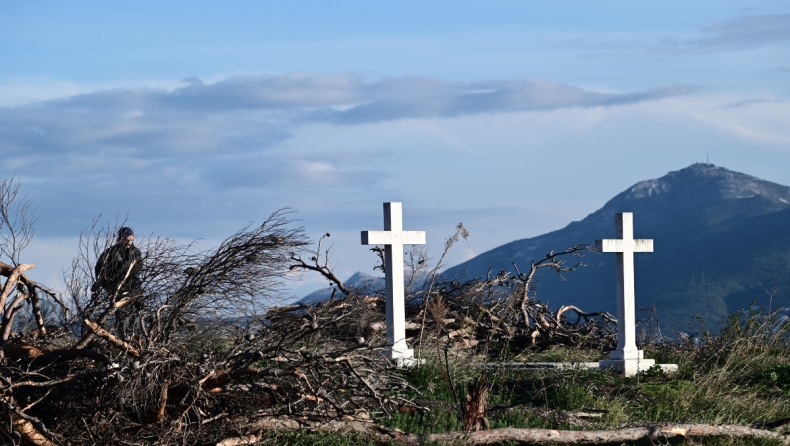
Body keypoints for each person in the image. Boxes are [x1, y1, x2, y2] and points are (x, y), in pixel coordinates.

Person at [93, 227, 143, 299]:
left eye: (131, 240)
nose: (129, 242)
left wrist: (130, 274)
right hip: (114, 283)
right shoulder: (110, 252)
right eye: (127, 240)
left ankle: (137, 303)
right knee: (118, 305)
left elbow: (139, 266)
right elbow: (99, 268)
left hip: (131, 281)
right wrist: (101, 283)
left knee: (137, 285)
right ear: (121, 238)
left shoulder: (136, 252)